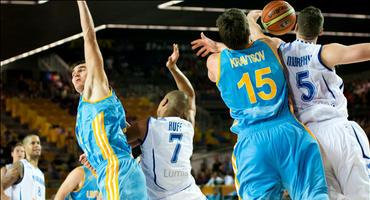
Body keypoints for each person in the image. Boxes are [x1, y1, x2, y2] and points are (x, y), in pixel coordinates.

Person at [191, 8, 328, 199]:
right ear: (247, 32)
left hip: (253, 144)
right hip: (290, 133)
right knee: (314, 195)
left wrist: (220, 46)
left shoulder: (214, 62)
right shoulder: (269, 46)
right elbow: (254, 43)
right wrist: (251, 19)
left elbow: (236, 58)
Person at [245, 7, 370, 199]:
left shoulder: (279, 49)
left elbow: (258, 36)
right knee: (362, 192)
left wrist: (251, 19)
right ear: (321, 31)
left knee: (328, 195)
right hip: (337, 129)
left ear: (294, 26)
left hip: (307, 137)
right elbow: (363, 50)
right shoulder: (325, 53)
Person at [72, 1, 147, 199]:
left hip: (117, 170)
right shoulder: (86, 107)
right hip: (113, 170)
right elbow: (127, 135)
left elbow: (89, 37)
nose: (76, 74)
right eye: (73, 73)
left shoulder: (97, 88)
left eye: (81, 69)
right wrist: (95, 161)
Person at [126, 44, 206, 200]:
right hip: (189, 192)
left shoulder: (148, 125)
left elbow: (115, 142)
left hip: (159, 196)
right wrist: (173, 68)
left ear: (164, 103)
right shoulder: (188, 125)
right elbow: (189, 95)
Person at [0, 134, 45, 200]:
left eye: (38, 143)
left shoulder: (41, 174)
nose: (37, 145)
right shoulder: (20, 166)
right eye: (33, 143)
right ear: (25, 148)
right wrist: (2, 195)